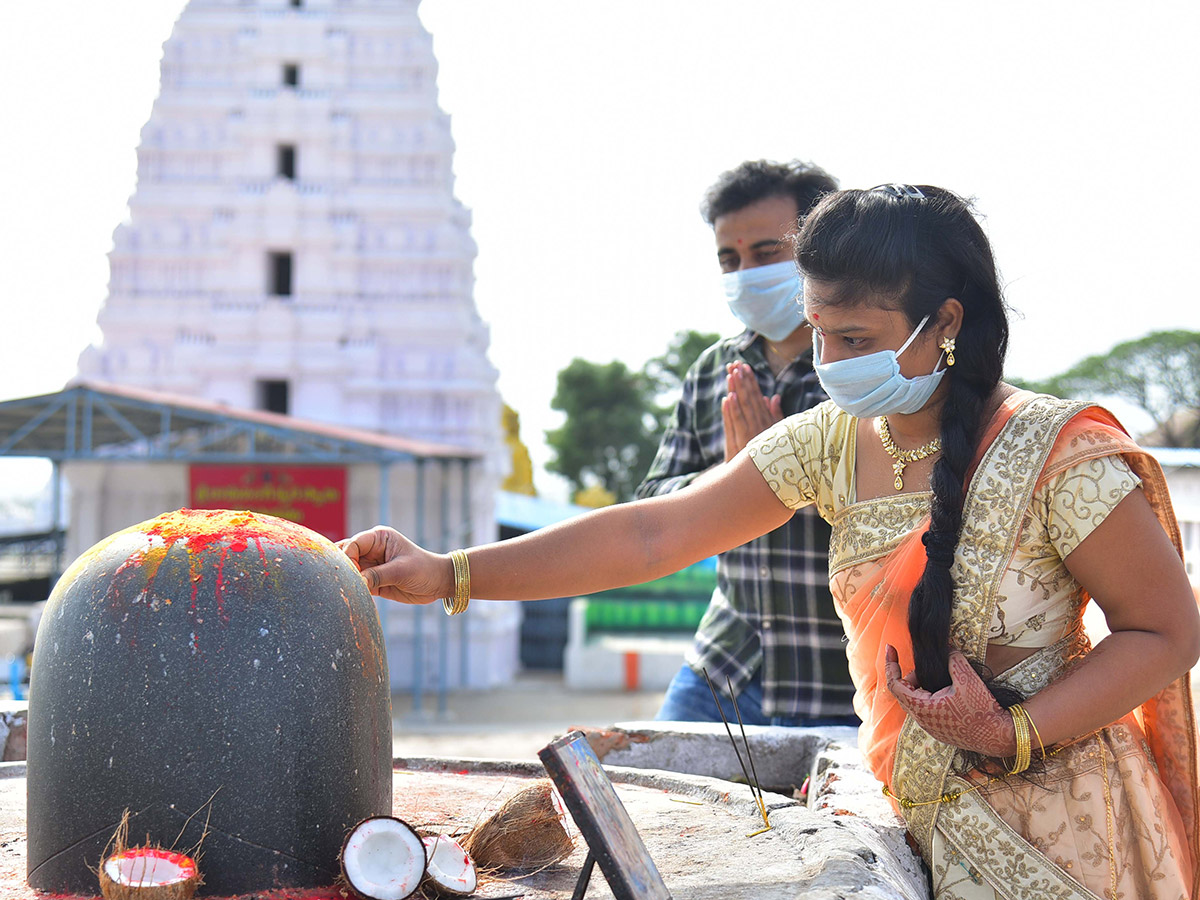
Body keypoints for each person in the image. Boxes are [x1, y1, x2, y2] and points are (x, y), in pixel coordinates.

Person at [341, 184, 1200, 899]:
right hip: (911, 815)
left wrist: (1013, 734)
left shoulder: (1056, 452)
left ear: (944, 322)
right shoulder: (829, 441)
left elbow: (1167, 631)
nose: (827, 360)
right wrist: (450, 572)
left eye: (855, 340)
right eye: (820, 332)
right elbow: (650, 533)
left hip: (1056, 829)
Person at [637, 159, 857, 727]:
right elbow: (654, 505)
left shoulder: (866, 370)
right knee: (656, 806)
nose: (744, 273)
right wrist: (734, 480)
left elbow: (909, 510)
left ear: (823, 248)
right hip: (727, 664)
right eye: (729, 259)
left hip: (843, 677)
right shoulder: (713, 372)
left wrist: (781, 482)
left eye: (765, 254)